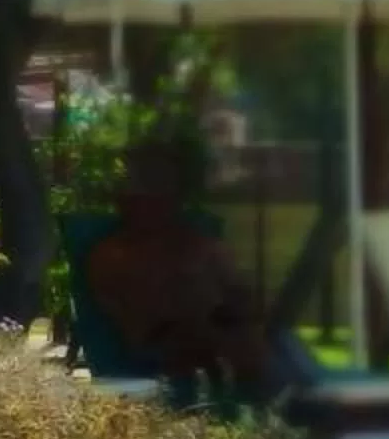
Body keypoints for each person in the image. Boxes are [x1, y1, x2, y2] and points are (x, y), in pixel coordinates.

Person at [81, 143, 273, 398]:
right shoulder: (113, 255)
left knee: (259, 346)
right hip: (161, 344)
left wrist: (236, 311)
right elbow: (131, 321)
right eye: (144, 186)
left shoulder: (200, 244)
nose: (154, 198)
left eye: (162, 186)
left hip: (216, 335)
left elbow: (238, 293)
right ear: (125, 199)